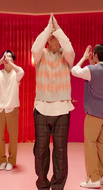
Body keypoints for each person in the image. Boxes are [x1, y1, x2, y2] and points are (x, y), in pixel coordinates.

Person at [31, 13, 75, 190]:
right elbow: (35, 47)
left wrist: (58, 29)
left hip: (63, 109)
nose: (53, 41)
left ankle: (58, 186)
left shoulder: (67, 57)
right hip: (41, 108)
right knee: (40, 150)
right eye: (51, 39)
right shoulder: (40, 56)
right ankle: (42, 184)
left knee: (60, 151)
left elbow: (70, 48)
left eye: (56, 39)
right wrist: (48, 29)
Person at [71, 44, 103, 188]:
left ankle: (93, 178)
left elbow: (74, 71)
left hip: (94, 114)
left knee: (90, 144)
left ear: (95, 54)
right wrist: (92, 64)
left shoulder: (91, 70)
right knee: (102, 143)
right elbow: (96, 76)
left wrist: (83, 57)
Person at [0, 50, 24, 171]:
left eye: (9, 56)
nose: (6, 58)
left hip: (12, 109)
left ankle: (11, 161)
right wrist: (0, 62)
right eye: (4, 56)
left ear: (13, 59)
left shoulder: (16, 74)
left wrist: (10, 63)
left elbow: (21, 71)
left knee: (13, 137)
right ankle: (2, 159)